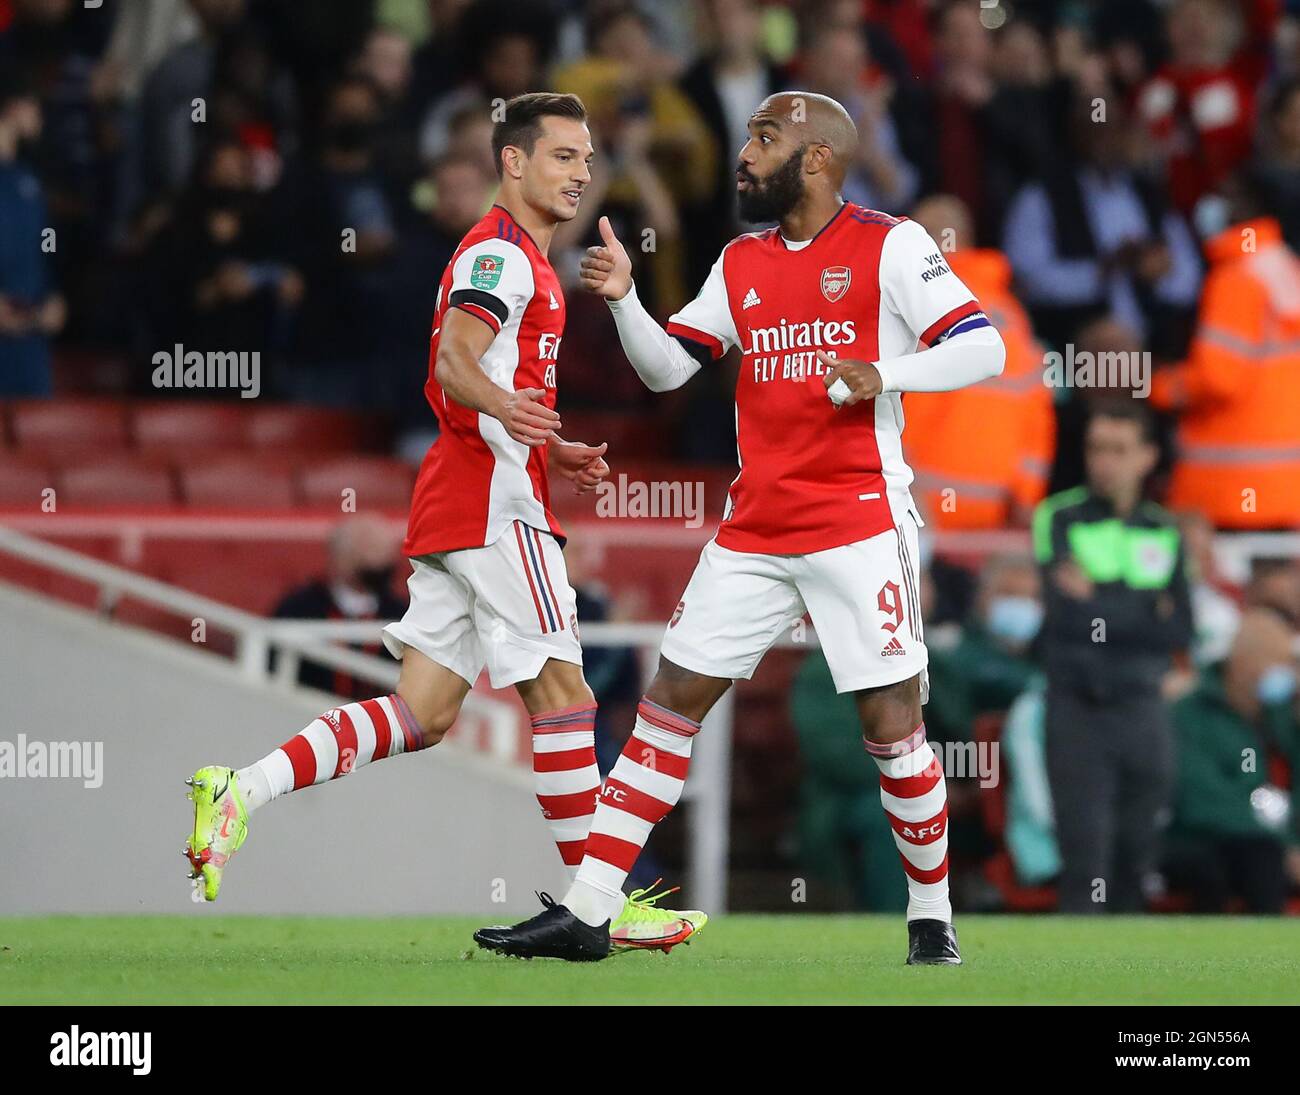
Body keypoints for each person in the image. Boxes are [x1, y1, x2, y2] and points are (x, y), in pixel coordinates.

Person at [477, 91, 1007, 964]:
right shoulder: (740, 261)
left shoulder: (892, 243)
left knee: (889, 723)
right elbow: (664, 371)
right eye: (748, 134)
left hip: (860, 522)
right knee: (669, 701)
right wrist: (625, 302)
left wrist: (886, 371)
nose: (745, 152)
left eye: (766, 137)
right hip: (754, 528)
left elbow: (982, 345)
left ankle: (931, 916)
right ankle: (588, 911)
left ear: (818, 159)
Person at [182, 93, 705, 953]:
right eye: (564, 156)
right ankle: (598, 903)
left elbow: (483, 382)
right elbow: (456, 361)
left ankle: (239, 788)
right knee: (565, 694)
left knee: (422, 712)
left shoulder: (516, 257)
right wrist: (512, 416)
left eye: (587, 158)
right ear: (513, 161)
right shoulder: (501, 256)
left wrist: (551, 444)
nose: (582, 173)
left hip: (460, 496)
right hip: (495, 507)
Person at [1033, 401, 1194, 913]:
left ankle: (1130, 983)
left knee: (1136, 853)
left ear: (1147, 457)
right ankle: (1074, 981)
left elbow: (1181, 626)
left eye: (1119, 450)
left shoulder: (1164, 530)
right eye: (1096, 448)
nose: (1104, 461)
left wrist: (1100, 597)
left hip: (1142, 707)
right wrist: (1144, 604)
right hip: (1078, 705)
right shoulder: (1057, 516)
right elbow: (1064, 616)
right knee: (1085, 853)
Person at [1163, 609, 1300, 914]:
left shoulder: (1281, 717)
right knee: (1254, 859)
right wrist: (1280, 841)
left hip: (1264, 841)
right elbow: (1200, 798)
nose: (1288, 674)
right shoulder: (1191, 714)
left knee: (1262, 856)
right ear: (1244, 664)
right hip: (1197, 838)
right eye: (1279, 662)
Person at [270, 515, 408, 700]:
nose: (377, 561)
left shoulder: (402, 614)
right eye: (367, 549)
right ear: (340, 557)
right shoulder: (300, 608)